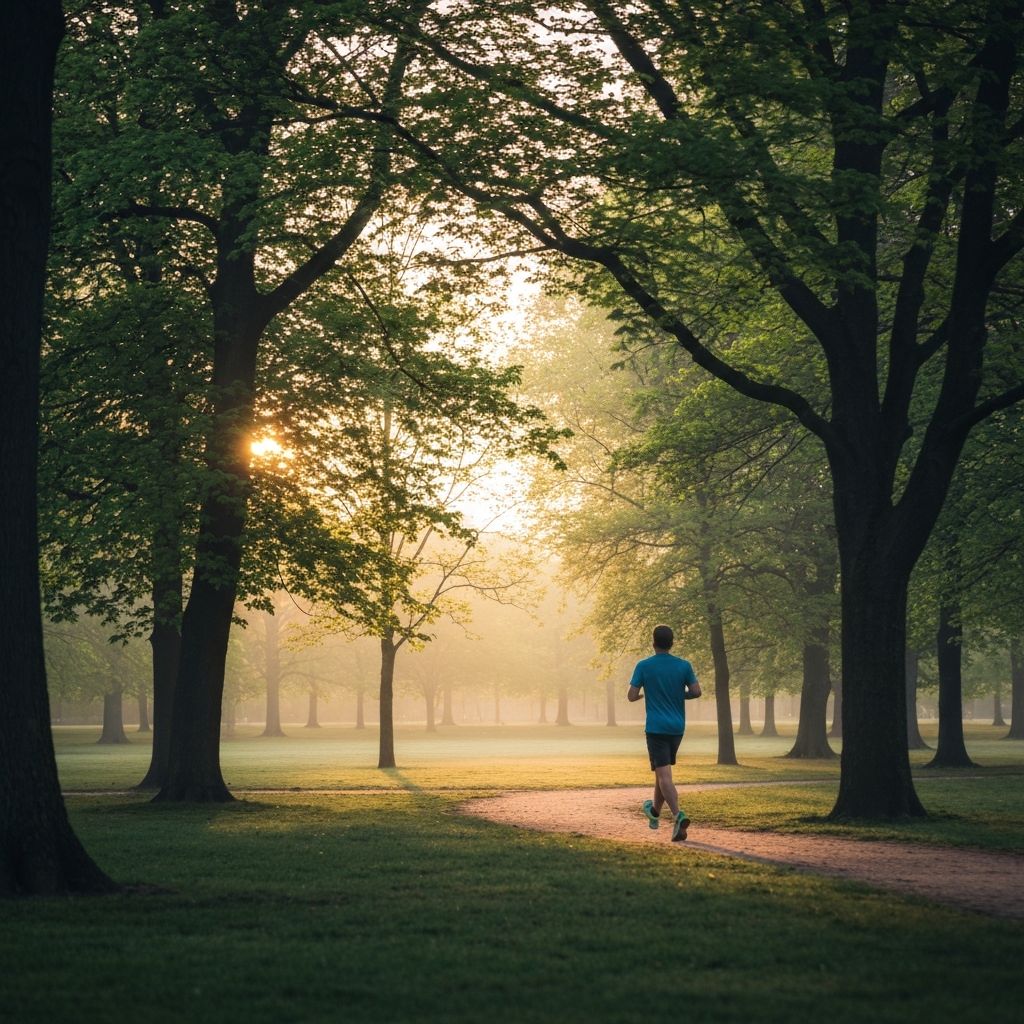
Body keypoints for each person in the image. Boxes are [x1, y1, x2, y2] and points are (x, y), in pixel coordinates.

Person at [627, 624, 701, 841]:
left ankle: (679, 816)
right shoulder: (683, 665)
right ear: (672, 643)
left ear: (653, 642)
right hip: (677, 728)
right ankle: (655, 813)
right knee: (662, 773)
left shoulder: (644, 666)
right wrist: (679, 695)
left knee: (664, 775)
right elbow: (696, 691)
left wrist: (645, 695)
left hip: (656, 728)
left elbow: (631, 695)